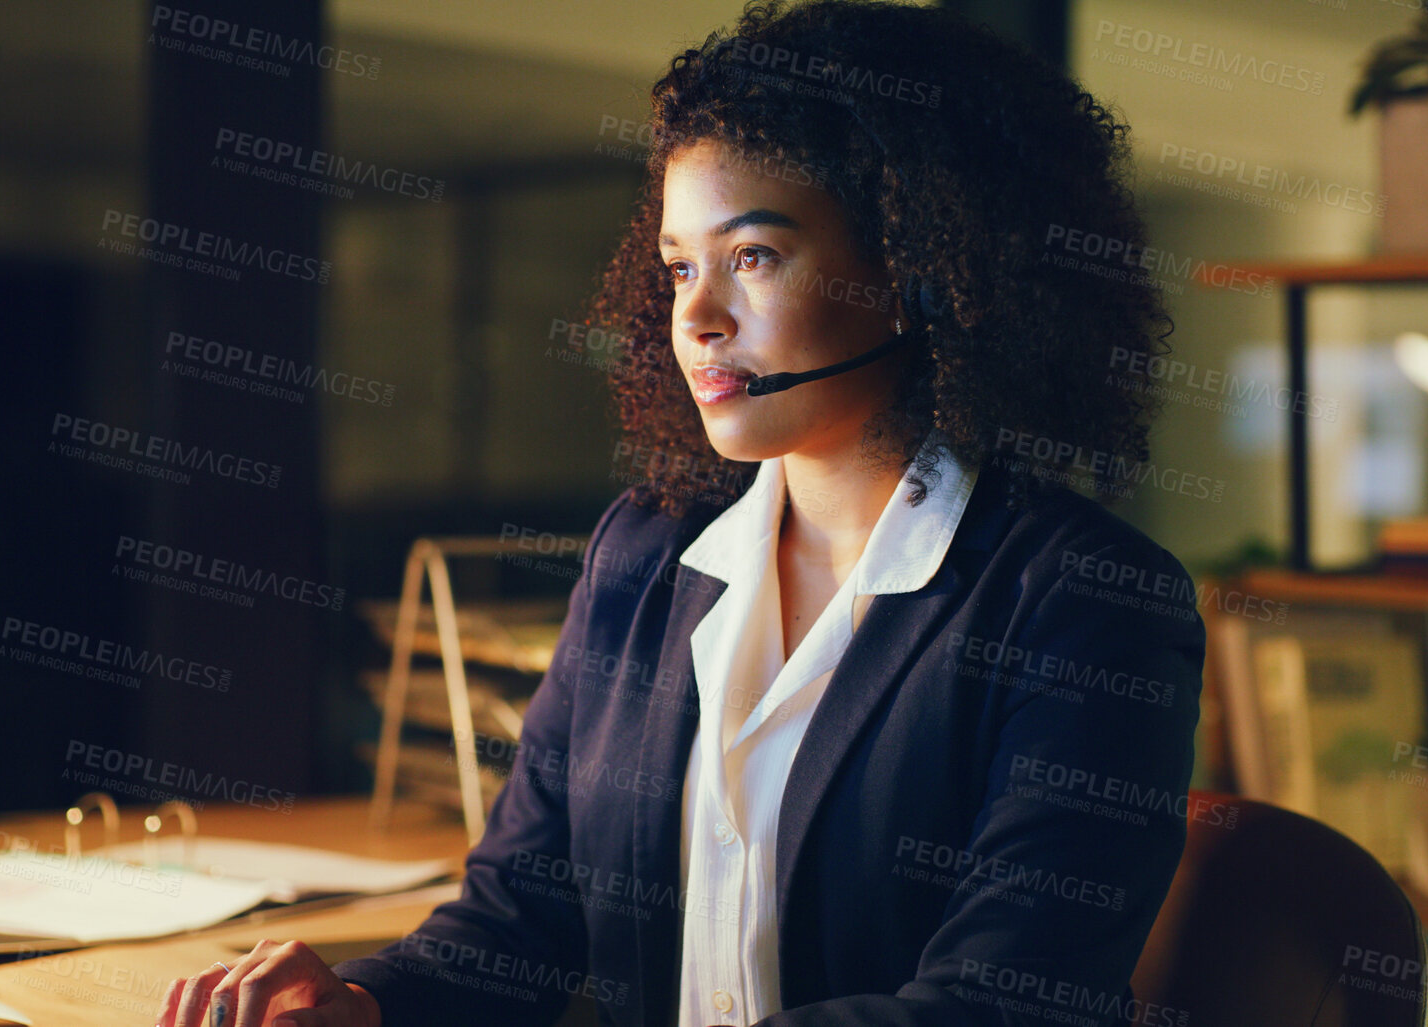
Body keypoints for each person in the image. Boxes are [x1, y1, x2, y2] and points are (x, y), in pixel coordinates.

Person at [157, 1, 1204, 1025]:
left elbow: (1001, 1002)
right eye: (678, 268)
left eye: (752, 257)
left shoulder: (1087, 603)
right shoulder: (644, 552)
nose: (693, 319)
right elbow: (525, 914)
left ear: (917, 270)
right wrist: (364, 1001)